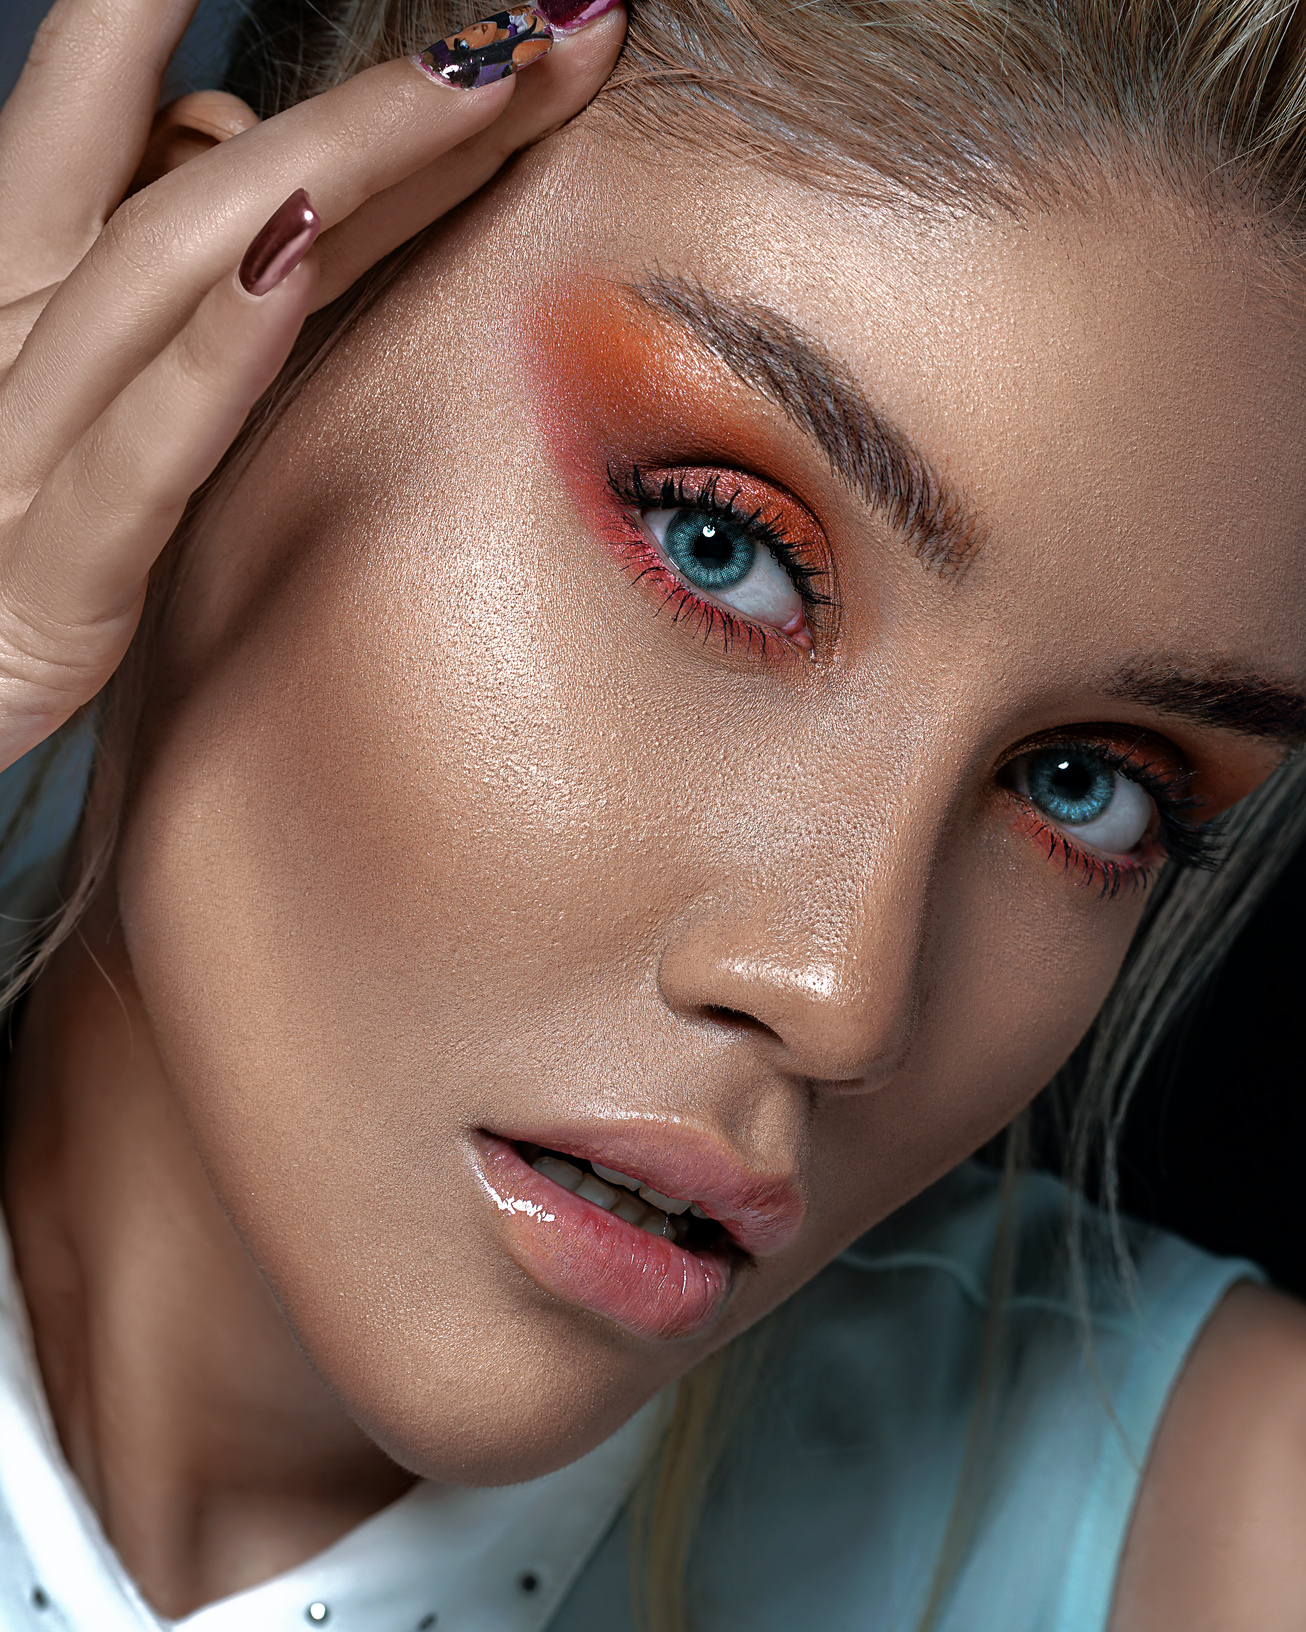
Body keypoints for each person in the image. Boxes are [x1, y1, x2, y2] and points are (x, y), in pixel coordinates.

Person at [0, 0, 1305, 1626]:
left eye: (1086, 785)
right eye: (720, 545)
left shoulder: (1229, 1539)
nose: (843, 999)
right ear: (189, 336)